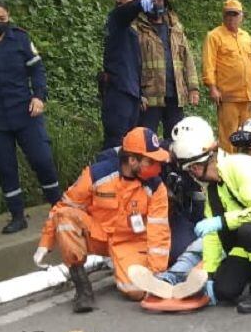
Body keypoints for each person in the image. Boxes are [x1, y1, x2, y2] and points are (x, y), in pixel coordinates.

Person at [32, 127, 172, 312]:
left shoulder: (156, 187)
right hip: (98, 235)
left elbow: (159, 234)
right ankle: (82, 288)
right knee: (65, 217)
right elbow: (64, 206)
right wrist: (45, 243)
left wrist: (156, 275)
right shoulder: (96, 175)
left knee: (136, 290)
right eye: (151, 161)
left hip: (130, 241)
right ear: (132, 160)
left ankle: (123, 270)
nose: (157, 166)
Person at [170, 116, 251, 314]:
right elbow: (212, 237)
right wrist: (211, 273)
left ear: (196, 166)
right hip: (245, 239)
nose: (192, 174)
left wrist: (222, 221)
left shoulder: (240, 167)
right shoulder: (213, 190)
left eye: (191, 169)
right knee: (226, 290)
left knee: (250, 231)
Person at [0, 0, 61, 233]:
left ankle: (59, 208)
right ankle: (17, 215)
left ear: (8, 16)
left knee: (42, 159)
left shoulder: (20, 38)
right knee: (5, 167)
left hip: (25, 112)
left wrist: (39, 96)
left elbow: (37, 70)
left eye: (2, 18)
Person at [134, 0, 200, 139]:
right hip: (149, 98)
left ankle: (173, 166)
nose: (158, 2)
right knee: (146, 141)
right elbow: (132, 64)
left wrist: (193, 88)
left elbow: (187, 58)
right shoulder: (136, 28)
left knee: (176, 140)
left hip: (175, 96)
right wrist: (137, 94)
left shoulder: (175, 26)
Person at [202, 0, 251, 152]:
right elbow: (209, 64)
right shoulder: (214, 36)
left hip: (248, 97)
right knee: (229, 137)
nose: (231, 18)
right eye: (228, 14)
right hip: (227, 97)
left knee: (250, 134)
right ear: (223, 15)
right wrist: (212, 88)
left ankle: (247, 167)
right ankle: (227, 171)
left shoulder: (246, 37)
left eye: (235, 14)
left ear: (241, 16)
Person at [100, 0, 144, 151]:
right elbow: (128, 11)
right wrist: (143, 1)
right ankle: (106, 177)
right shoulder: (117, 19)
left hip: (131, 93)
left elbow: (135, 65)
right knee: (115, 145)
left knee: (130, 146)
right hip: (118, 92)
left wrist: (140, 93)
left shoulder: (130, 30)